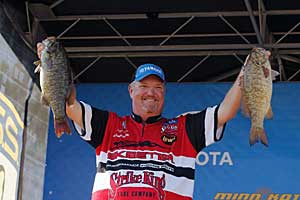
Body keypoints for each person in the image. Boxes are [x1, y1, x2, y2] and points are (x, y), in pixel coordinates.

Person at [37, 42, 266, 200]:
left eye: (157, 88)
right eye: (144, 86)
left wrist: (247, 71)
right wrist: (50, 66)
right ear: (131, 90)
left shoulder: (183, 128)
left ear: (164, 93)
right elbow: (69, 106)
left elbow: (225, 112)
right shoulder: (109, 125)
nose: (151, 93)